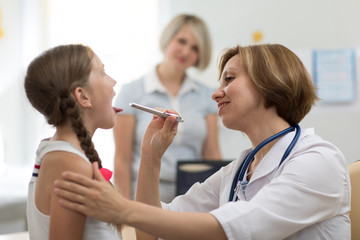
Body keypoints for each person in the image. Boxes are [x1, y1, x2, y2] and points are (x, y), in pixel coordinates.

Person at [54, 43, 351, 239]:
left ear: (271, 83)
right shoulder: (239, 170)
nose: (215, 93)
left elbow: (233, 228)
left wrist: (119, 209)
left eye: (229, 79)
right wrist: (150, 157)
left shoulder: (318, 161)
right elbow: (152, 230)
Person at [113, 14, 221, 202]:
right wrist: (123, 209)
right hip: (146, 192)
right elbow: (122, 158)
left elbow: (212, 154)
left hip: (194, 195)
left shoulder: (207, 95)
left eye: (195, 48)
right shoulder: (131, 92)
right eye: (181, 41)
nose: (186, 52)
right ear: (168, 39)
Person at [24, 44, 122, 239]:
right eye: (103, 73)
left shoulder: (56, 152)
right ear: (83, 96)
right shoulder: (71, 166)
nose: (113, 82)